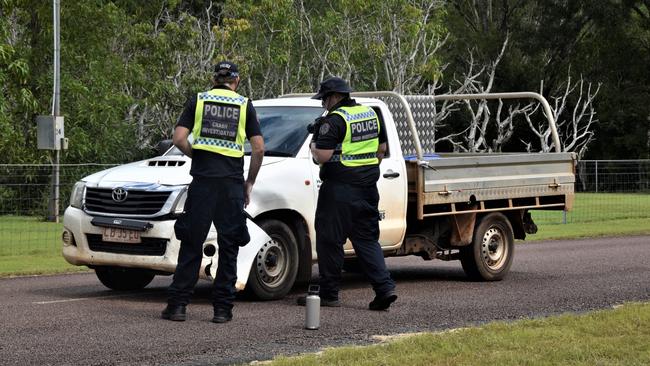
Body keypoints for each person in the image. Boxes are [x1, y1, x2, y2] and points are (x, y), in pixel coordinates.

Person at [162, 61, 264, 323]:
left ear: (214, 79)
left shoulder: (199, 101)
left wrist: (197, 156)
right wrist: (249, 183)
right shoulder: (244, 104)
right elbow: (259, 148)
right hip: (230, 185)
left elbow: (179, 138)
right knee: (229, 246)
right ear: (236, 80)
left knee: (192, 243)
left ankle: (177, 307)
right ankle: (222, 310)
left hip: (203, 183)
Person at [298, 76, 397, 310]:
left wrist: (314, 144)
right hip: (368, 188)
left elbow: (321, 156)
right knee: (366, 240)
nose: (323, 104)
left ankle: (329, 293)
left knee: (329, 240)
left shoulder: (333, 121)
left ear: (333, 97)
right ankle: (384, 288)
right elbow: (381, 150)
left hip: (339, 190)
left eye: (324, 99)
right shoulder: (370, 114)